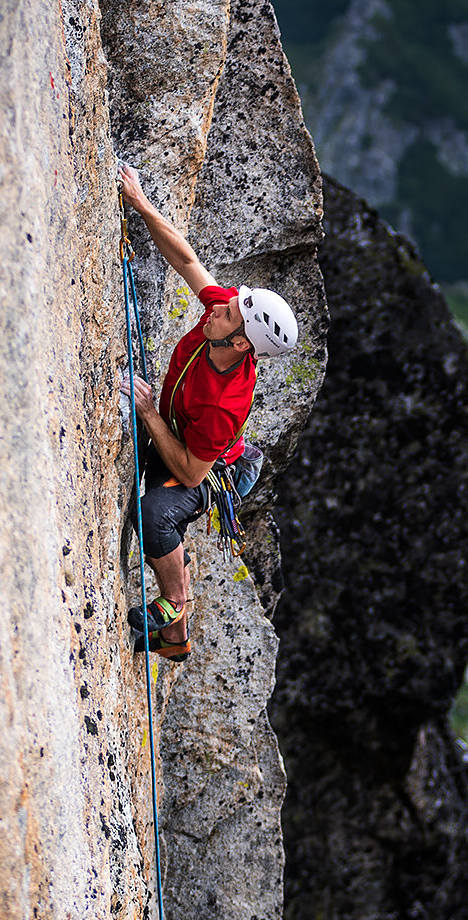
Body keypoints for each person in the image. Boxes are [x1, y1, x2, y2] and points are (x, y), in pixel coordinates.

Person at [117, 161, 299, 661]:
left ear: (241, 342)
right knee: (155, 499)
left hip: (216, 467)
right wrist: (141, 203)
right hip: (190, 438)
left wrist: (151, 415)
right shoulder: (224, 319)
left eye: (230, 312)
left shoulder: (226, 401)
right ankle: (175, 644)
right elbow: (187, 260)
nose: (217, 305)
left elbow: (194, 472)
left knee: (154, 512)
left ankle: (174, 602)